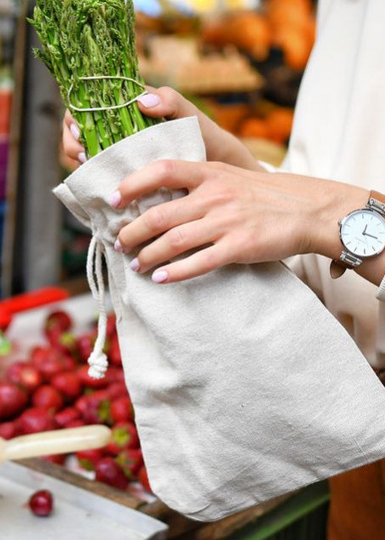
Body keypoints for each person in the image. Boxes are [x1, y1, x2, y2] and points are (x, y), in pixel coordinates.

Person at [62, 1, 385, 538]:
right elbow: (326, 229)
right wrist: (221, 162)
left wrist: (332, 215)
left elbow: (329, 213)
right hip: (361, 438)